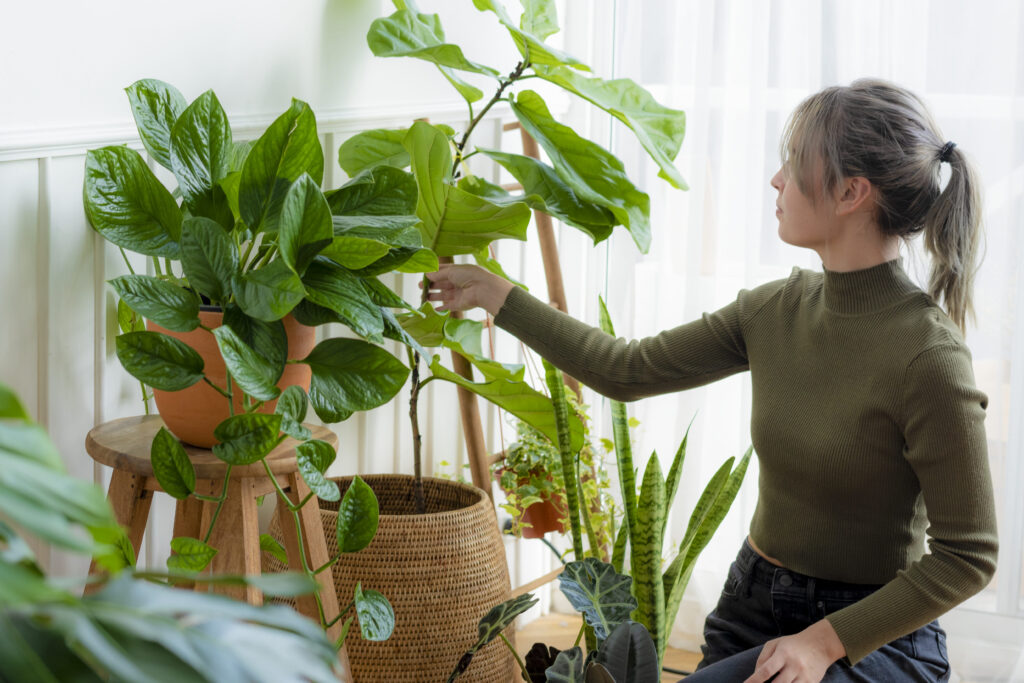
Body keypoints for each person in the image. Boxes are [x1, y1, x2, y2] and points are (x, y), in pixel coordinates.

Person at [422, 78, 998, 682]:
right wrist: (495, 295)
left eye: (794, 164)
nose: (776, 180)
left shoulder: (927, 356)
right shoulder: (774, 310)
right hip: (751, 606)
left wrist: (826, 642)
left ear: (852, 192)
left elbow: (968, 556)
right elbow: (626, 369)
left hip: (872, 633)